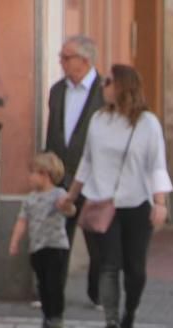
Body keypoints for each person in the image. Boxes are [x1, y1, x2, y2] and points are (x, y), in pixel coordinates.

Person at [58, 64, 172, 328]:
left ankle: (129, 312)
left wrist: (160, 203)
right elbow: (86, 161)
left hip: (136, 203)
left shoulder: (147, 124)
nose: (103, 86)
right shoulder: (98, 120)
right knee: (108, 264)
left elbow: (157, 165)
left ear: (122, 86)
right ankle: (111, 321)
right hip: (101, 202)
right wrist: (71, 196)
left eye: (108, 82)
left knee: (135, 269)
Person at [46, 35, 105, 308]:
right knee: (57, 237)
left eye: (66, 57)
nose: (61, 62)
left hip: (94, 179)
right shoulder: (58, 91)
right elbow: (52, 134)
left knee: (97, 239)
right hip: (62, 176)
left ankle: (99, 293)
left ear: (85, 60)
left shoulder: (105, 92)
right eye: (61, 56)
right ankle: (52, 291)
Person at [8, 153, 75, 328]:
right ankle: (47, 316)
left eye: (33, 173)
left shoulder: (58, 194)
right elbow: (22, 220)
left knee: (55, 283)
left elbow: (70, 210)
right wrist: (15, 241)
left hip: (56, 245)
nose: (29, 177)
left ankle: (56, 317)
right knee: (42, 284)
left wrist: (66, 206)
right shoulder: (30, 199)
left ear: (45, 175)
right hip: (37, 247)